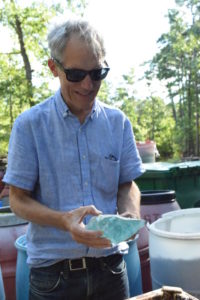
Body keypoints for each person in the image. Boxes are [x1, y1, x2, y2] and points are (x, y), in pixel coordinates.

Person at [3, 18, 144, 300]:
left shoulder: (118, 122)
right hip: (53, 278)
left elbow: (127, 184)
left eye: (97, 73)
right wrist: (64, 220)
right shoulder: (30, 125)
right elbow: (17, 200)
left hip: (112, 270)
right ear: (54, 68)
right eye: (77, 74)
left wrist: (130, 214)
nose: (88, 84)